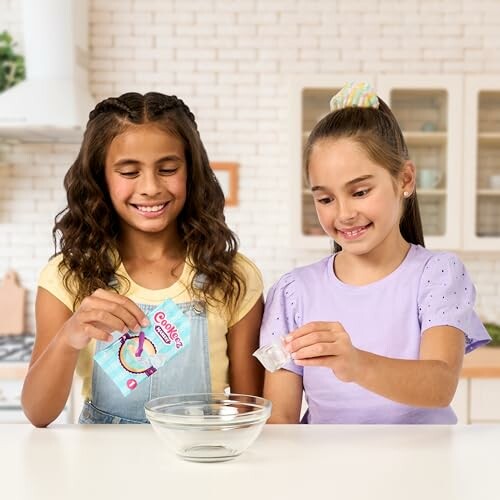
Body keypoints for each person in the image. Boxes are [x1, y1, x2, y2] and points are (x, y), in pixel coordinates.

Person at [22, 92, 264, 426]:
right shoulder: (67, 276)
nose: (150, 187)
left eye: (167, 169)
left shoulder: (234, 276)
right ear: (100, 177)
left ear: (191, 172)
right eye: (129, 172)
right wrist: (70, 334)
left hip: (199, 464)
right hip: (102, 468)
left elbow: (248, 409)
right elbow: (38, 413)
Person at [259, 82, 490, 424]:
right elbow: (280, 421)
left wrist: (355, 363)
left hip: (423, 472)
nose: (343, 213)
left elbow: (440, 385)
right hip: (328, 473)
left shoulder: (437, 274)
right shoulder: (294, 292)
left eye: (360, 191)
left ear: (405, 180)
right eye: (325, 199)